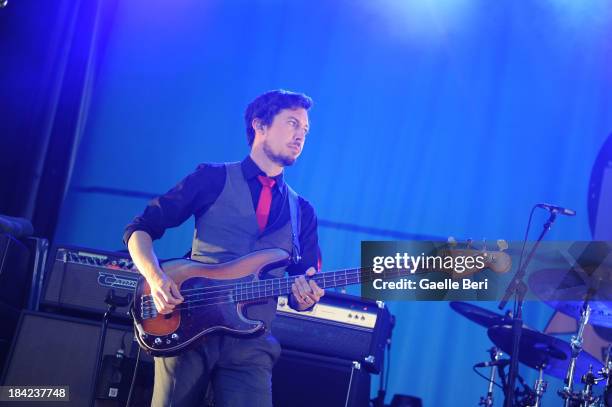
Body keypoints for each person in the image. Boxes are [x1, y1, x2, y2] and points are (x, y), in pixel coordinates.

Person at [124, 89, 324, 407]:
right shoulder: (212, 178)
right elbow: (140, 230)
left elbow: (303, 284)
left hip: (251, 344)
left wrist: (306, 296)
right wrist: (157, 279)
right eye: (292, 123)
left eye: (305, 130)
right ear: (260, 126)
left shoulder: (304, 211)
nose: (301, 135)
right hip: (187, 329)